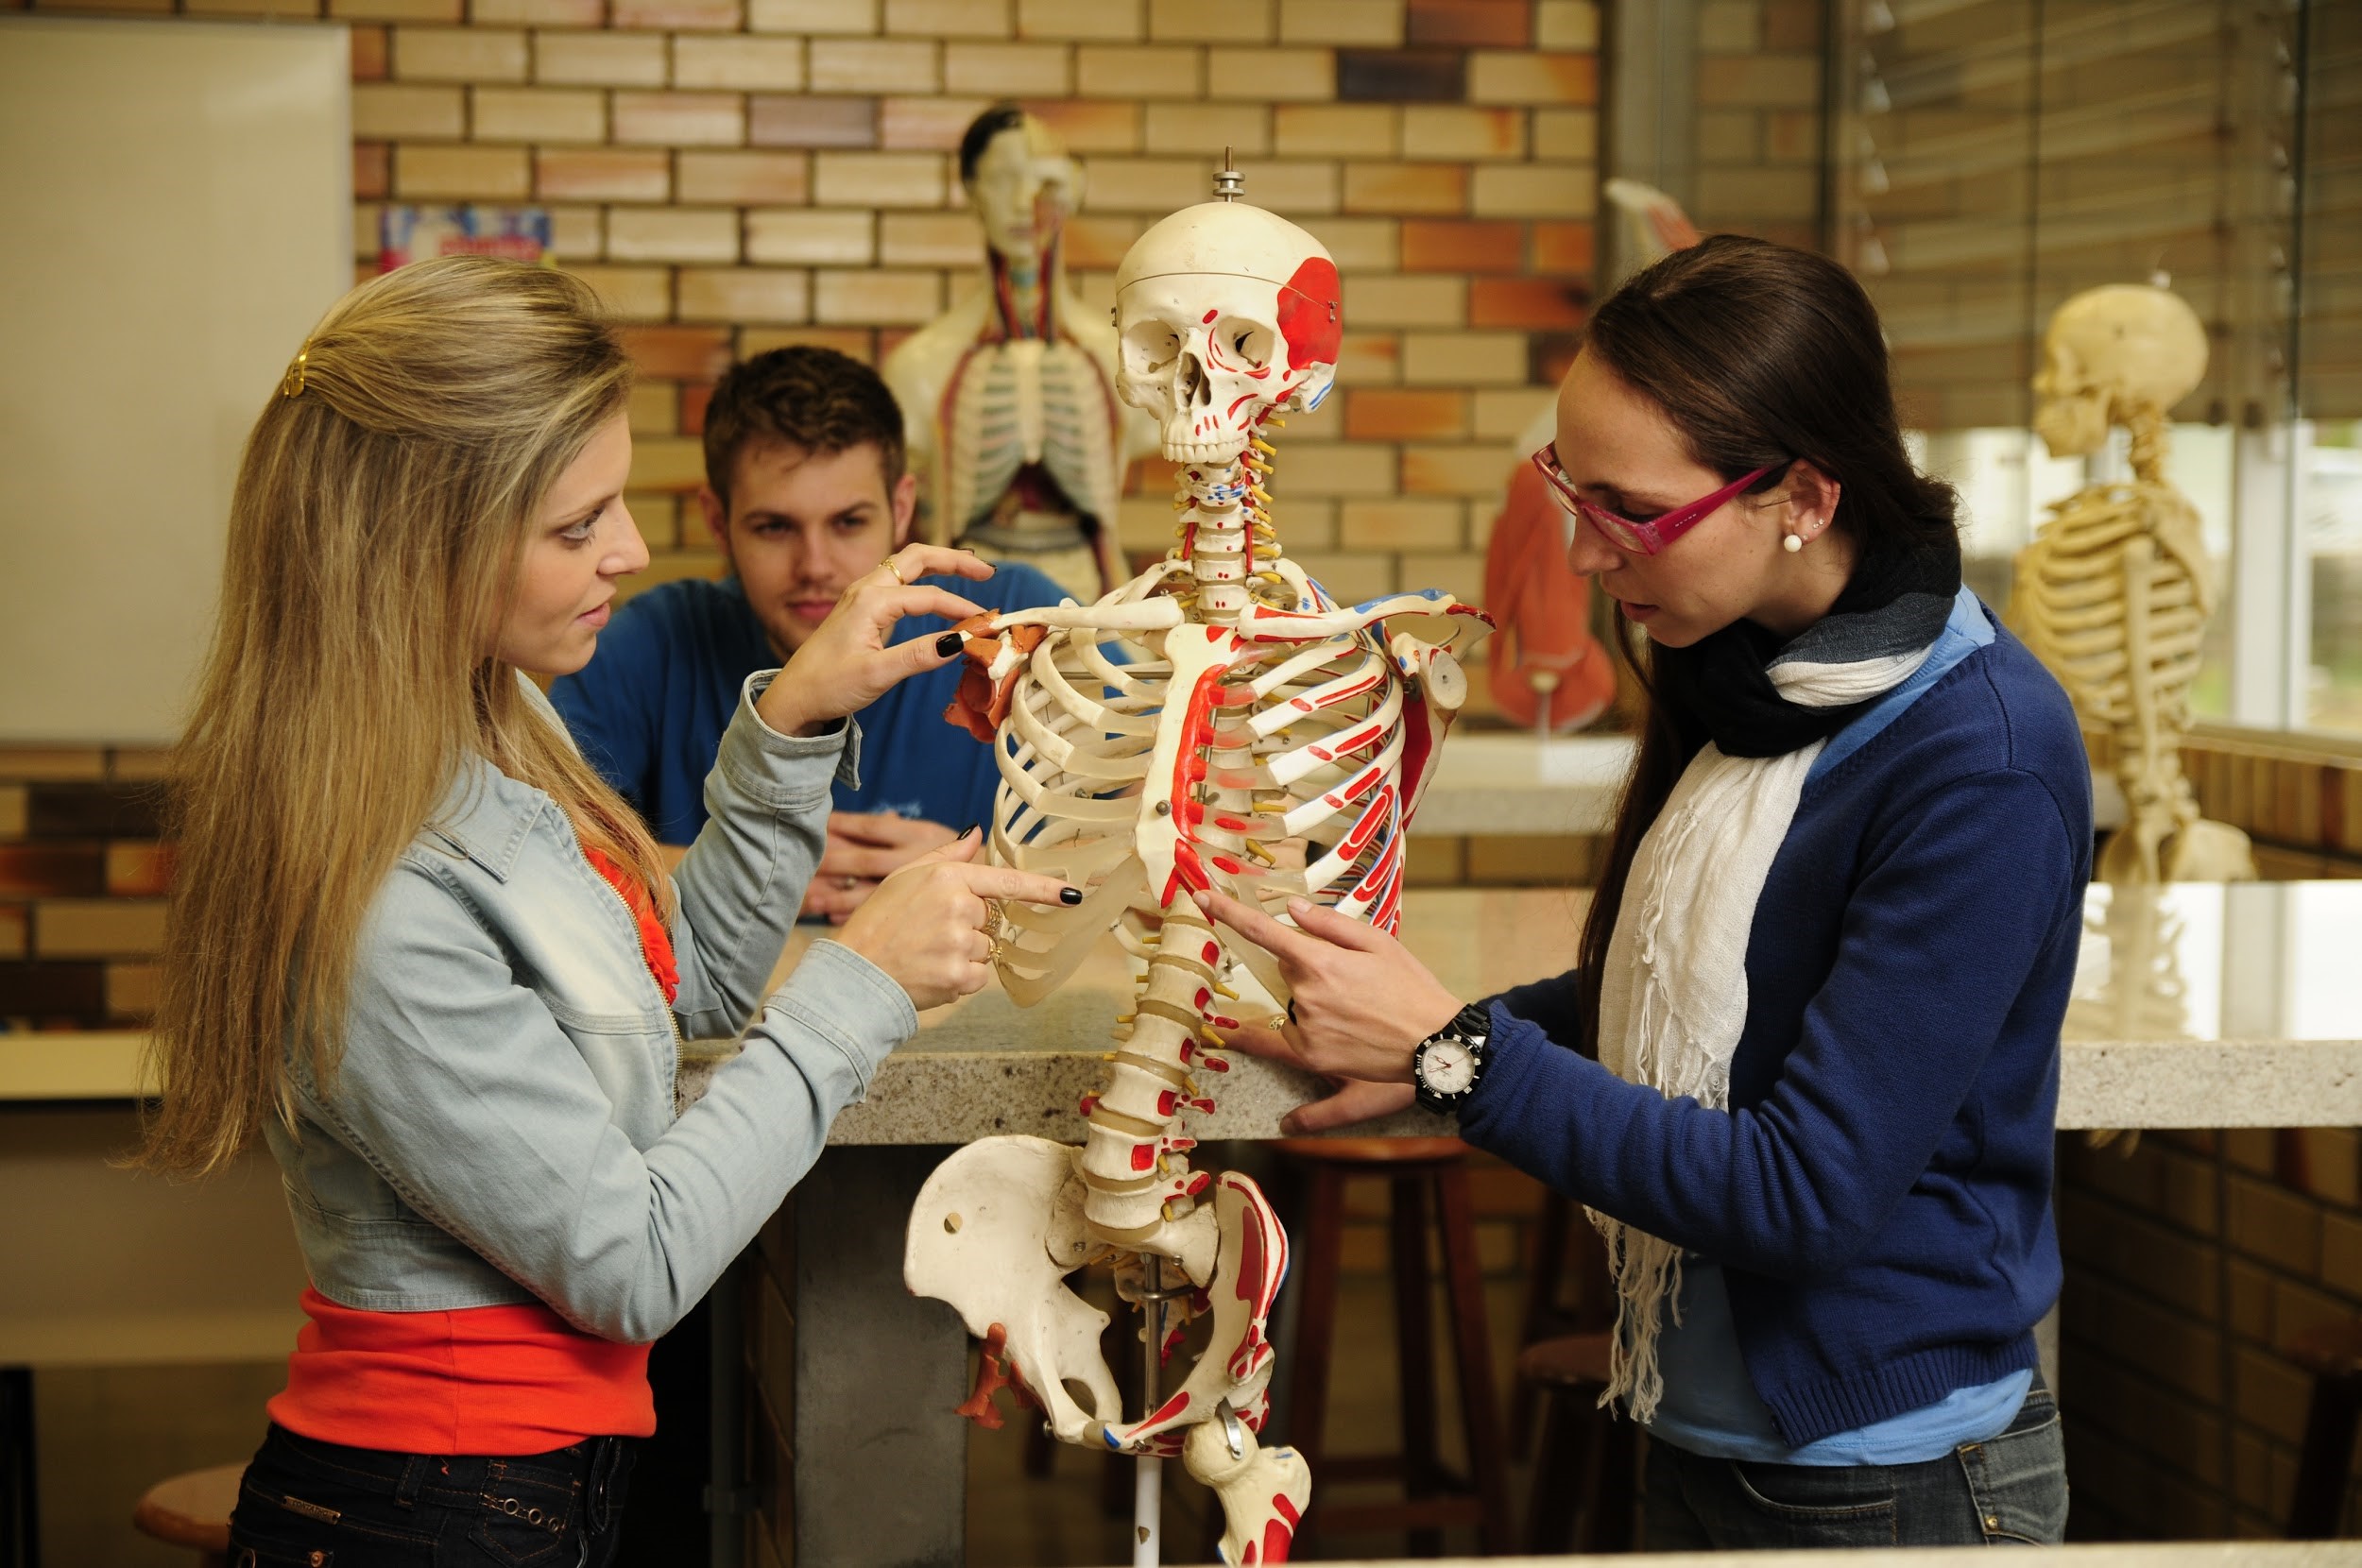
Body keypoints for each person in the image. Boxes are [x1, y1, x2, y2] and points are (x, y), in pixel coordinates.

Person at [144, 256, 1079, 1565]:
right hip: (428, 1512)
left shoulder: (494, 717)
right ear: (427, 543)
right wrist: (858, 985)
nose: (631, 555)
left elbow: (673, 996)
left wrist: (797, 713)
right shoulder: (369, 895)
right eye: (576, 529)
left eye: (619, 507)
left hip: (539, 1484)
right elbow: (629, 1262)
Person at [1206, 235, 2087, 1549]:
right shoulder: (1740, 663)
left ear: (1798, 494)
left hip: (1889, 1484)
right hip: (1693, 1420)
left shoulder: (1982, 760)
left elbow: (1808, 1191)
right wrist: (1433, 1044)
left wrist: (1460, 1057)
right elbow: (1677, 986)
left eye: (1628, 509)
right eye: (1568, 484)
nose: (1580, 552)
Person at [549, 345, 1072, 923]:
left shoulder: (1019, 616)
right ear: (719, 524)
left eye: (849, 522)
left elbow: (1163, 832)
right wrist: (729, 874)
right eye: (775, 527)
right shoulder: (645, 645)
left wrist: (985, 871)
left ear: (901, 508)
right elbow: (541, 860)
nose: (816, 566)